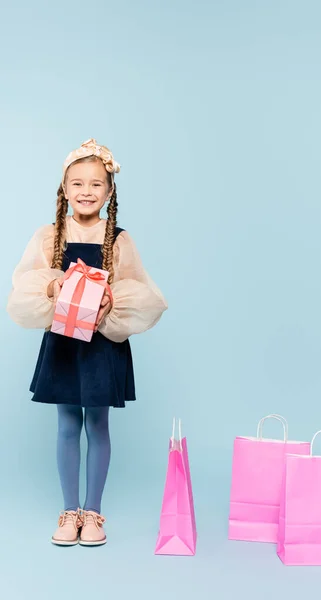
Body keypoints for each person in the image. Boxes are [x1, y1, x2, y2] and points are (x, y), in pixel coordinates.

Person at [7, 138, 168, 546]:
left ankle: (93, 513)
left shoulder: (118, 239)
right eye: (77, 184)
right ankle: (68, 512)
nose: (86, 192)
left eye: (96, 185)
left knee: (97, 423)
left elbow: (140, 289)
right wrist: (52, 286)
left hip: (101, 346)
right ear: (63, 189)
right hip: (63, 340)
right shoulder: (50, 236)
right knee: (66, 425)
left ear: (109, 192)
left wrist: (113, 297)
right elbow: (25, 283)